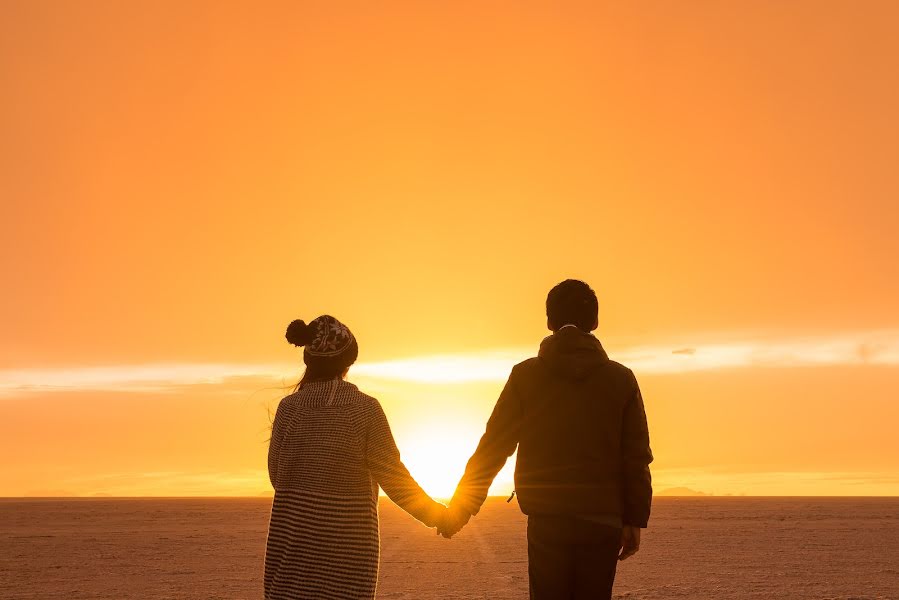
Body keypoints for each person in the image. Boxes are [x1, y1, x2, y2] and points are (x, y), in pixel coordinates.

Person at [441, 279, 654, 600]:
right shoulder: (620, 378)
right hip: (603, 521)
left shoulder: (525, 376)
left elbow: (494, 446)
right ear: (595, 322)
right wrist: (634, 519)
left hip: (548, 520)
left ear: (549, 322)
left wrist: (461, 508)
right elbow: (636, 456)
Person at [265, 315, 447, 600]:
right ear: (348, 363)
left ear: (308, 360)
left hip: (290, 557)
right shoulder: (364, 410)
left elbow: (277, 476)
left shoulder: (289, 410)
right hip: (347, 565)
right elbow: (394, 478)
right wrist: (439, 516)